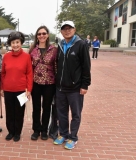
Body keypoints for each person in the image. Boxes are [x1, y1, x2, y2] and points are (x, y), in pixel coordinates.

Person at [53, 21, 91, 150]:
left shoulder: (80, 45)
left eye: (69, 28)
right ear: (61, 31)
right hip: (61, 87)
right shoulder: (60, 44)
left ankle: (73, 137)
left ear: (74, 30)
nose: (67, 31)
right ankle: (63, 134)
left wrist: (85, 85)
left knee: (76, 114)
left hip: (75, 88)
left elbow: (86, 66)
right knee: (61, 113)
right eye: (64, 29)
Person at [0, 31, 33, 142]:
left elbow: (29, 73)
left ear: (21, 43)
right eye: (13, 42)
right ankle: (11, 131)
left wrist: (29, 89)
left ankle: (17, 132)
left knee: (19, 112)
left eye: (17, 42)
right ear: (10, 44)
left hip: (22, 90)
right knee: (9, 112)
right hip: (8, 89)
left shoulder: (27, 56)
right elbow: (3, 73)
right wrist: (2, 88)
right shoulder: (6, 57)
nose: (15, 45)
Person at [29, 26, 57, 140]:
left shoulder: (54, 50)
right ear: (37, 36)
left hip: (49, 83)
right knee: (36, 107)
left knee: (46, 107)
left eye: (44, 33)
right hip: (35, 83)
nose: (42, 36)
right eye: (39, 34)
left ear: (48, 35)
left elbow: (56, 66)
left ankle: (44, 130)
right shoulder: (32, 50)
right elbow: (29, 67)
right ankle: (36, 130)